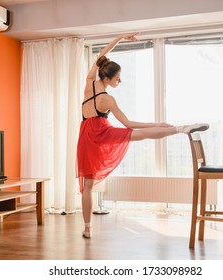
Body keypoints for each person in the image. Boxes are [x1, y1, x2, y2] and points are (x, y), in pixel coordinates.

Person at [76, 32, 208, 238]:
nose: (120, 82)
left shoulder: (89, 83)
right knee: (140, 134)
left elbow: (101, 55)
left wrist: (119, 38)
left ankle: (87, 229)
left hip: (86, 138)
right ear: (108, 78)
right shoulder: (108, 100)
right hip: (101, 132)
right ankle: (180, 129)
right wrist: (155, 123)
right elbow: (129, 124)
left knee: (88, 185)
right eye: (118, 79)